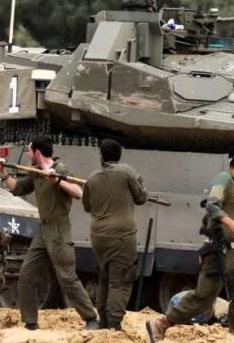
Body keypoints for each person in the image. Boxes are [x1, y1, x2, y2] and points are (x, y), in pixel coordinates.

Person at [146, 145, 234, 341]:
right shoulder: (223, 179)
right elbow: (212, 203)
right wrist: (231, 223)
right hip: (218, 250)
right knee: (204, 297)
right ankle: (162, 323)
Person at [0, 135, 99, 330]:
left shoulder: (60, 169)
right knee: (27, 274)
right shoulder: (36, 172)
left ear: (37, 152)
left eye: (29, 150)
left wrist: (56, 179)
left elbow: (78, 193)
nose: (28, 154)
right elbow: (17, 188)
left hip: (59, 231)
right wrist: (3, 173)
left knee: (67, 277)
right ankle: (30, 322)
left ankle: (91, 318)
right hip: (43, 231)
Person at [82, 139, 147, 329]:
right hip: (121, 236)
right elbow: (140, 198)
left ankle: (103, 320)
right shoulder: (126, 172)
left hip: (98, 236)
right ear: (119, 155)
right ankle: (114, 323)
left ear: (101, 156)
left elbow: (87, 206)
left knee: (104, 278)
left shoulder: (92, 178)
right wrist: (140, 184)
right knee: (120, 281)